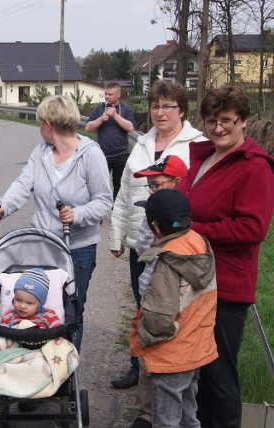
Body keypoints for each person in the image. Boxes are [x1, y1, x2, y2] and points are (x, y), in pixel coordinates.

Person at [178, 85, 274, 428]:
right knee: (199, 371)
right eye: (211, 120)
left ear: (244, 121)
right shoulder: (205, 157)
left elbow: (252, 228)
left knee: (219, 374)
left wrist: (194, 230)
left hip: (227, 285)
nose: (218, 128)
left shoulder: (255, 167)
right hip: (195, 278)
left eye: (227, 120)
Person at [0, 94, 113, 353]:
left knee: (71, 309)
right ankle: (36, 361)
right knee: (42, 304)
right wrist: (2, 206)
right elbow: (23, 185)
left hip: (78, 247)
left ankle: (65, 369)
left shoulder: (91, 155)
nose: (39, 129)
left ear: (48, 124)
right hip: (43, 245)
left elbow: (104, 201)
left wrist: (77, 214)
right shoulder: (41, 152)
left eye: (39, 123)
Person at [109, 81, 206, 390]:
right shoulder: (140, 142)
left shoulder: (197, 144)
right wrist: (116, 236)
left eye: (168, 106)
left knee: (173, 308)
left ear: (182, 111)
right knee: (143, 303)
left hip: (177, 246)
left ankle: (173, 371)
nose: (160, 112)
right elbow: (125, 192)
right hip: (143, 241)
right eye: (155, 106)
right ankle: (140, 367)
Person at [130, 189, 218, 428]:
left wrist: (142, 336)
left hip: (171, 355)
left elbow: (158, 318)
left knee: (165, 422)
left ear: (156, 227)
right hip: (195, 346)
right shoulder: (198, 244)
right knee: (189, 418)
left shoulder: (167, 262)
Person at [126, 155, 189, 428]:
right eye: (149, 186)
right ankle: (144, 413)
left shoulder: (181, 220)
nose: (151, 190)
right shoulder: (151, 214)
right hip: (149, 293)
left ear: (177, 182)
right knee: (146, 348)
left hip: (169, 300)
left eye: (156, 185)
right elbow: (142, 247)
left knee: (164, 354)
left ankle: (165, 416)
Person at [85, 82, 137, 201]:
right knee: (98, 186)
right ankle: (96, 213)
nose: (107, 96)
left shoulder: (126, 109)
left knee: (119, 187)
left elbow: (130, 127)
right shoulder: (99, 109)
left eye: (110, 94)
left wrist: (115, 116)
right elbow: (88, 127)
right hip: (102, 155)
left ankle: (116, 214)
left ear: (118, 95)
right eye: (105, 94)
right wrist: (101, 119)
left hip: (121, 155)